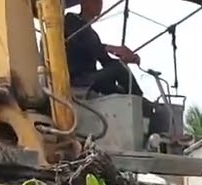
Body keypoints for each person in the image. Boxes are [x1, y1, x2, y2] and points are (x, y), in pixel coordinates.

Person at [64, 0, 168, 137]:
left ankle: (144, 110)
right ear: (83, 3)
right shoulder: (70, 20)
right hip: (77, 79)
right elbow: (81, 43)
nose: (99, 4)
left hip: (93, 80)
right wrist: (111, 48)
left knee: (120, 88)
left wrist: (126, 58)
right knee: (118, 68)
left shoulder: (93, 33)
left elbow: (105, 60)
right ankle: (140, 101)